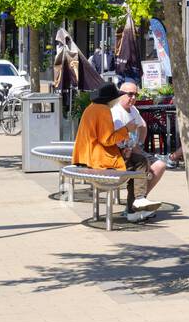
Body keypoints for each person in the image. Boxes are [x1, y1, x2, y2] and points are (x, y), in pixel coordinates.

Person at [72, 83, 154, 220]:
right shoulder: (103, 110)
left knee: (135, 161)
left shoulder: (91, 108)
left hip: (86, 156)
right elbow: (107, 140)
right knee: (140, 161)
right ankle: (137, 202)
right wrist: (126, 129)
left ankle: (134, 208)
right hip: (98, 158)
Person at [109, 80, 167, 205]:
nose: (133, 97)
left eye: (136, 95)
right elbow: (116, 139)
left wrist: (140, 143)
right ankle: (134, 205)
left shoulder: (133, 109)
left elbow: (143, 125)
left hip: (134, 149)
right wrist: (133, 148)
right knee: (139, 164)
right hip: (120, 154)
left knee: (159, 166)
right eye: (130, 94)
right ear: (120, 94)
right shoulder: (116, 111)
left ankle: (139, 201)